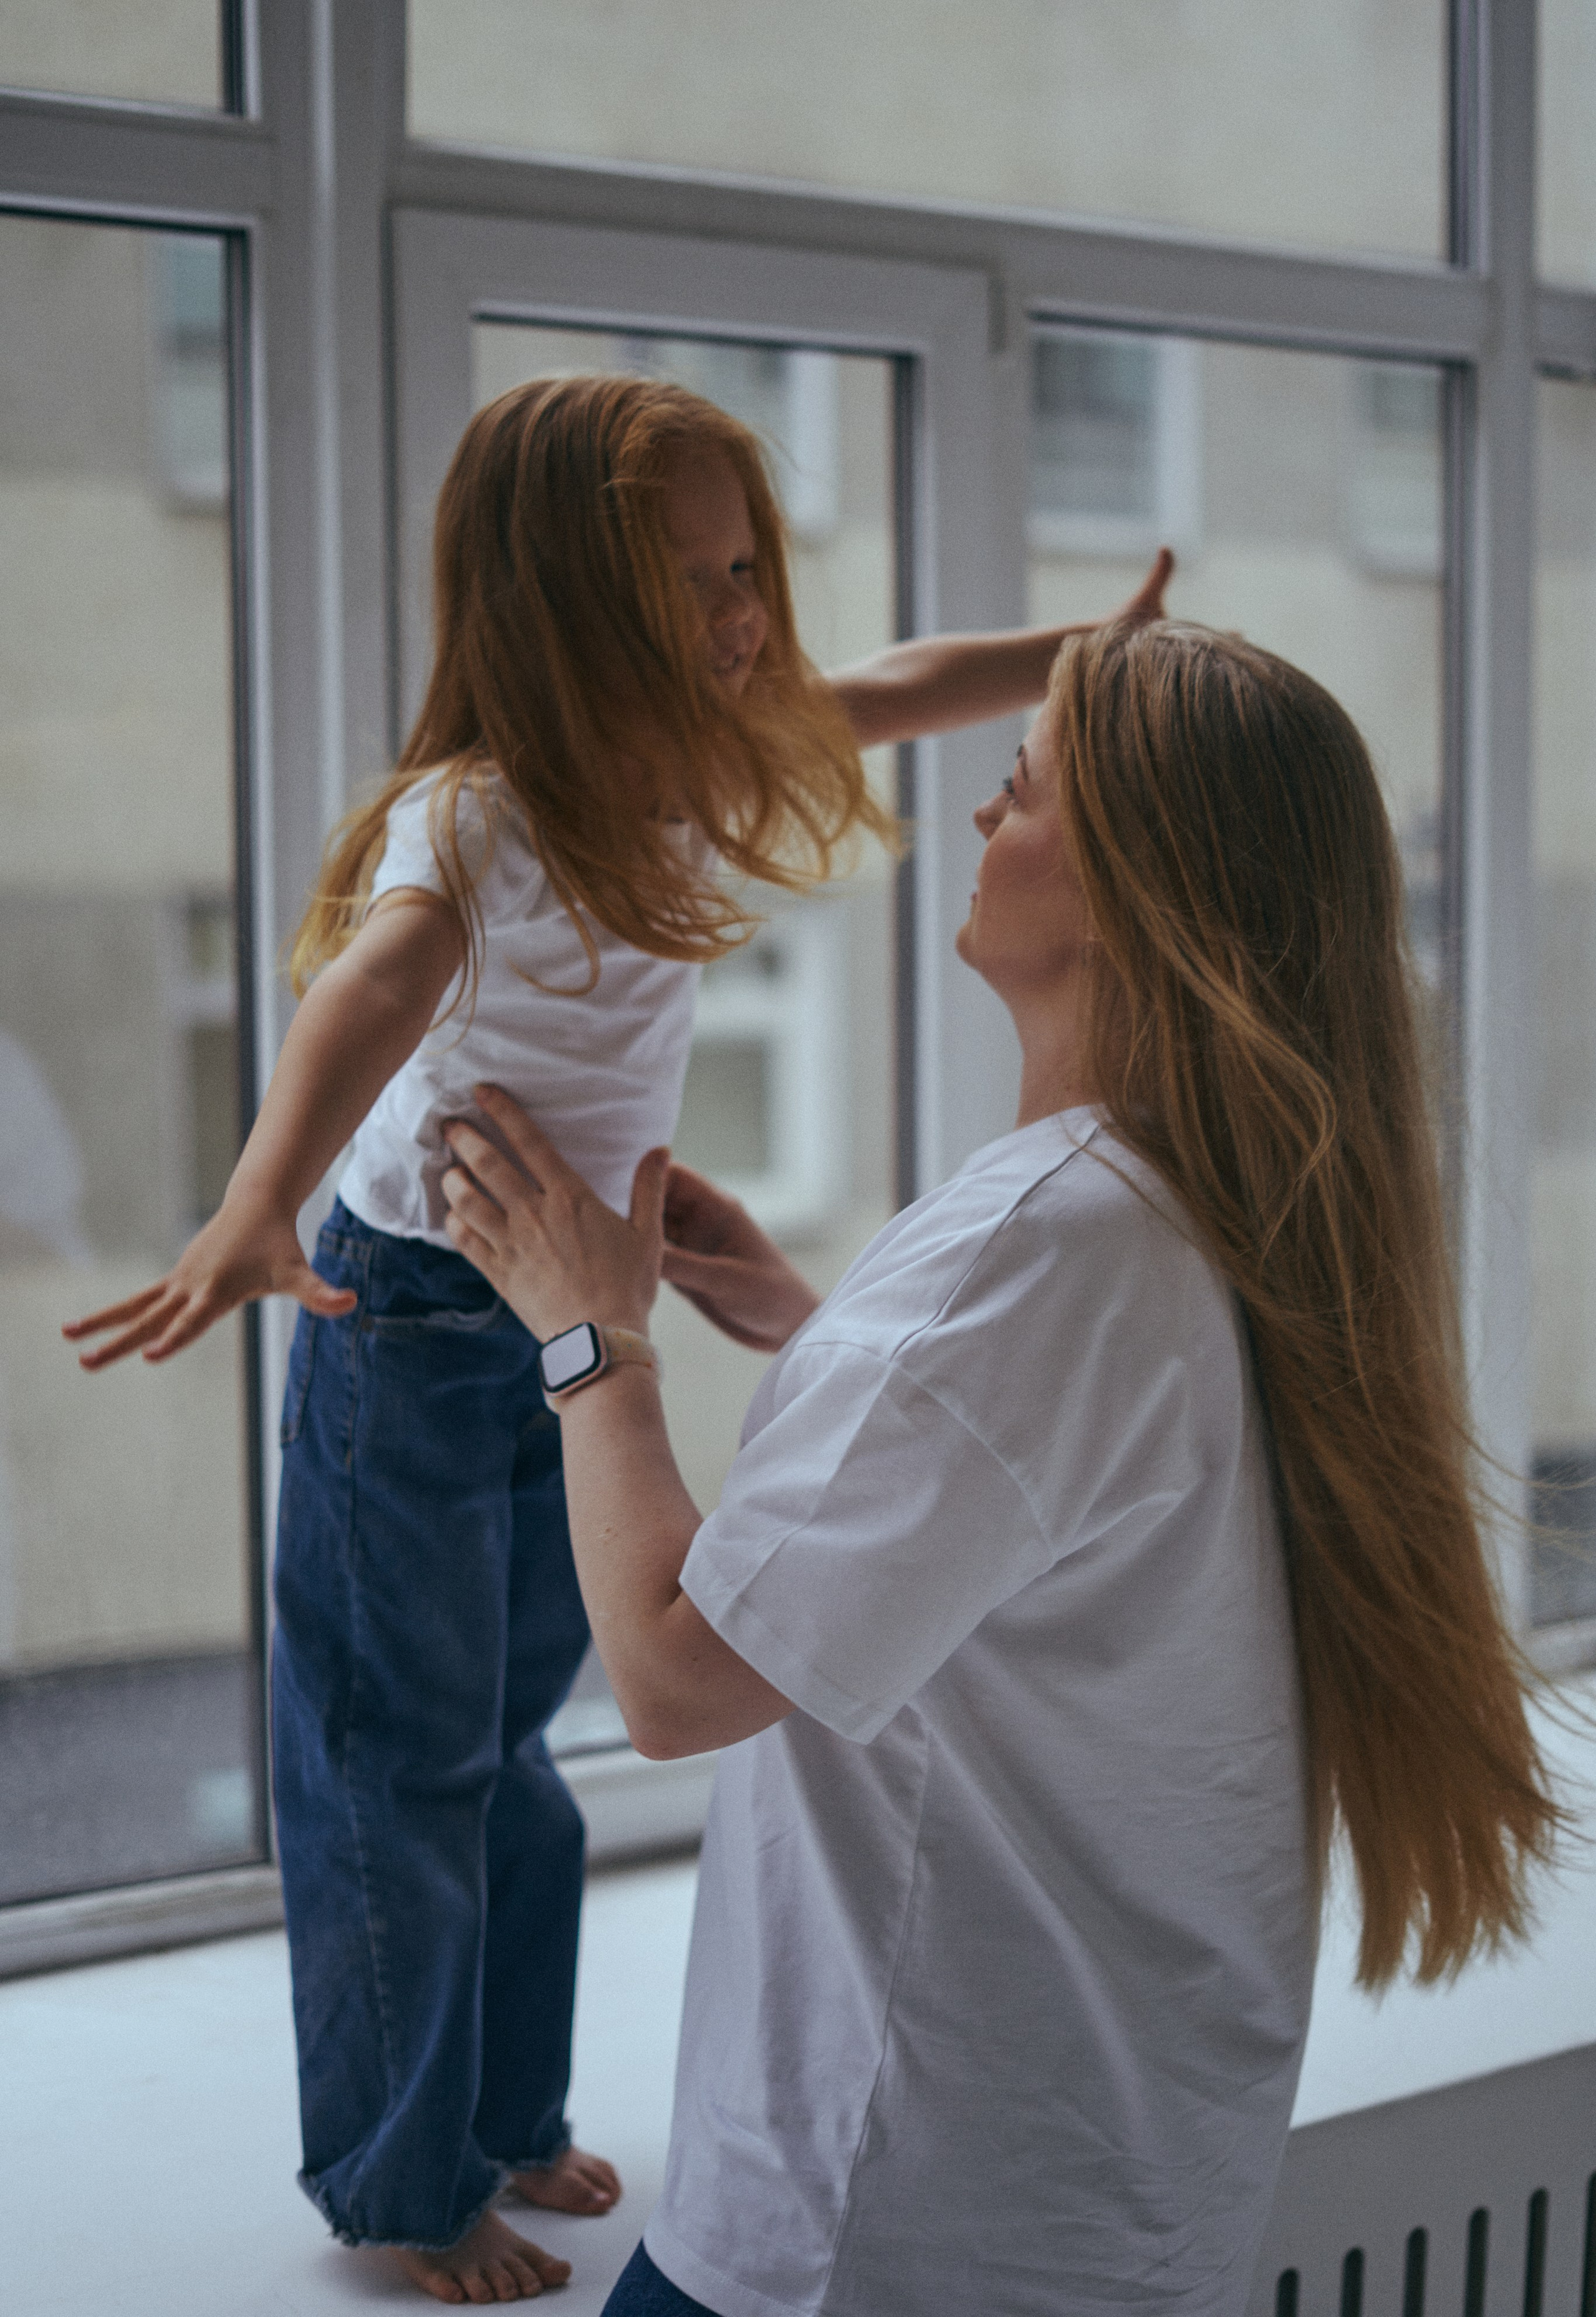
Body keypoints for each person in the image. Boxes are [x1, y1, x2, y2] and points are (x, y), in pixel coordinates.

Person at [63, 370, 1172, 2306]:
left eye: (748, 571)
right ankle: (405, 2184)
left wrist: (1086, 651)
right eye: (695, 583)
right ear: (564, 604)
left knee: (514, 1748)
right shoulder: (479, 813)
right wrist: (255, 1201)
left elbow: (902, 682)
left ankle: (501, 2118)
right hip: (413, 1318)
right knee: (402, 1762)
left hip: (564, 1313)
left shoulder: (704, 755)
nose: (744, 617)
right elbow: (373, 990)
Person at [438, 615, 1560, 2317]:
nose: (979, 815)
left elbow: (674, 1677)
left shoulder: (1039, 1248)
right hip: (1107, 2213)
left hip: (875, 2239)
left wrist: (592, 1335)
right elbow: (1077, 1518)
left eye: (1022, 790)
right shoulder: (1199, 1215)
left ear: (1133, 886)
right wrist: (817, 1329)